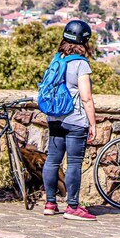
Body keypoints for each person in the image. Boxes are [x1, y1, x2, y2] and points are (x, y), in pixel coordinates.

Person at [42, 20, 98, 221]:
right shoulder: (81, 63)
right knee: (74, 162)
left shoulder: (57, 59)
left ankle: (50, 203)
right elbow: (86, 97)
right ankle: (72, 206)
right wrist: (92, 123)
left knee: (52, 160)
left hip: (54, 117)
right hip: (75, 120)